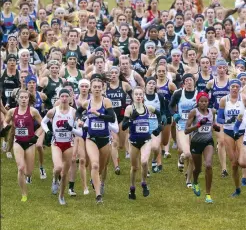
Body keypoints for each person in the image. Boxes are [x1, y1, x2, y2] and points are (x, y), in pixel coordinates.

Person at [75, 74, 116, 204]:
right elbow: (77, 112)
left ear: (102, 88)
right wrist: (79, 120)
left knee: (102, 167)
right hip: (91, 138)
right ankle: (98, 195)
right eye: (95, 87)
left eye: (99, 87)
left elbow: (112, 118)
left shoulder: (106, 102)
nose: (97, 89)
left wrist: (98, 114)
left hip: (104, 138)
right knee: (94, 164)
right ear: (91, 89)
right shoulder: (87, 103)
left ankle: (97, 180)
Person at [41, 89, 82, 205]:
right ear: (59, 98)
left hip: (69, 144)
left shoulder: (74, 113)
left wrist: (71, 129)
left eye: (66, 96)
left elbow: (80, 133)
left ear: (70, 98)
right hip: (56, 143)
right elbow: (43, 123)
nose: (64, 98)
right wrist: (48, 131)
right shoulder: (53, 111)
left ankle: (62, 196)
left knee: (65, 174)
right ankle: (54, 180)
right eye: (62, 96)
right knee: (58, 168)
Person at [3, 90, 43, 202]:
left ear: (29, 99)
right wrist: (6, 127)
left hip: (30, 142)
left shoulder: (33, 111)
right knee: (20, 168)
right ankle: (24, 194)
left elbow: (43, 125)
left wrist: (36, 135)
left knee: (28, 172)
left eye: (26, 97)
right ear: (18, 99)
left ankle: (27, 176)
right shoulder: (12, 111)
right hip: (18, 142)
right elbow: (5, 121)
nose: (24, 99)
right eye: (22, 97)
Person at [122, 86, 162, 199]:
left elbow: (160, 115)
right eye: (136, 94)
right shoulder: (129, 109)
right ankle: (132, 188)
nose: (139, 96)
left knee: (144, 162)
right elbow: (124, 127)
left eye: (140, 94)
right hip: (133, 141)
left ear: (143, 96)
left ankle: (144, 183)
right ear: (133, 96)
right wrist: (131, 119)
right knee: (134, 167)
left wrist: (159, 126)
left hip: (146, 139)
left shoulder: (148, 108)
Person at [185, 91, 219, 203]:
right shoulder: (193, 112)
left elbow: (212, 124)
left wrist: (215, 127)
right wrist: (198, 125)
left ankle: (208, 194)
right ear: (198, 102)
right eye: (201, 101)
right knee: (198, 169)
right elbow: (186, 130)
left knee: (208, 165)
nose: (204, 103)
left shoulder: (211, 112)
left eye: (205, 101)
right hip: (195, 143)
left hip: (208, 141)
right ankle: (195, 181)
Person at [169, 74, 197, 187]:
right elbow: (170, 106)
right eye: (187, 80)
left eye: (191, 80)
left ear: (194, 82)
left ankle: (188, 180)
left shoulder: (198, 94)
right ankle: (181, 157)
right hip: (182, 126)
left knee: (193, 155)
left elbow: (205, 106)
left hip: (195, 127)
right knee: (187, 152)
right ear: (184, 83)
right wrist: (174, 114)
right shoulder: (178, 93)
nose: (189, 82)